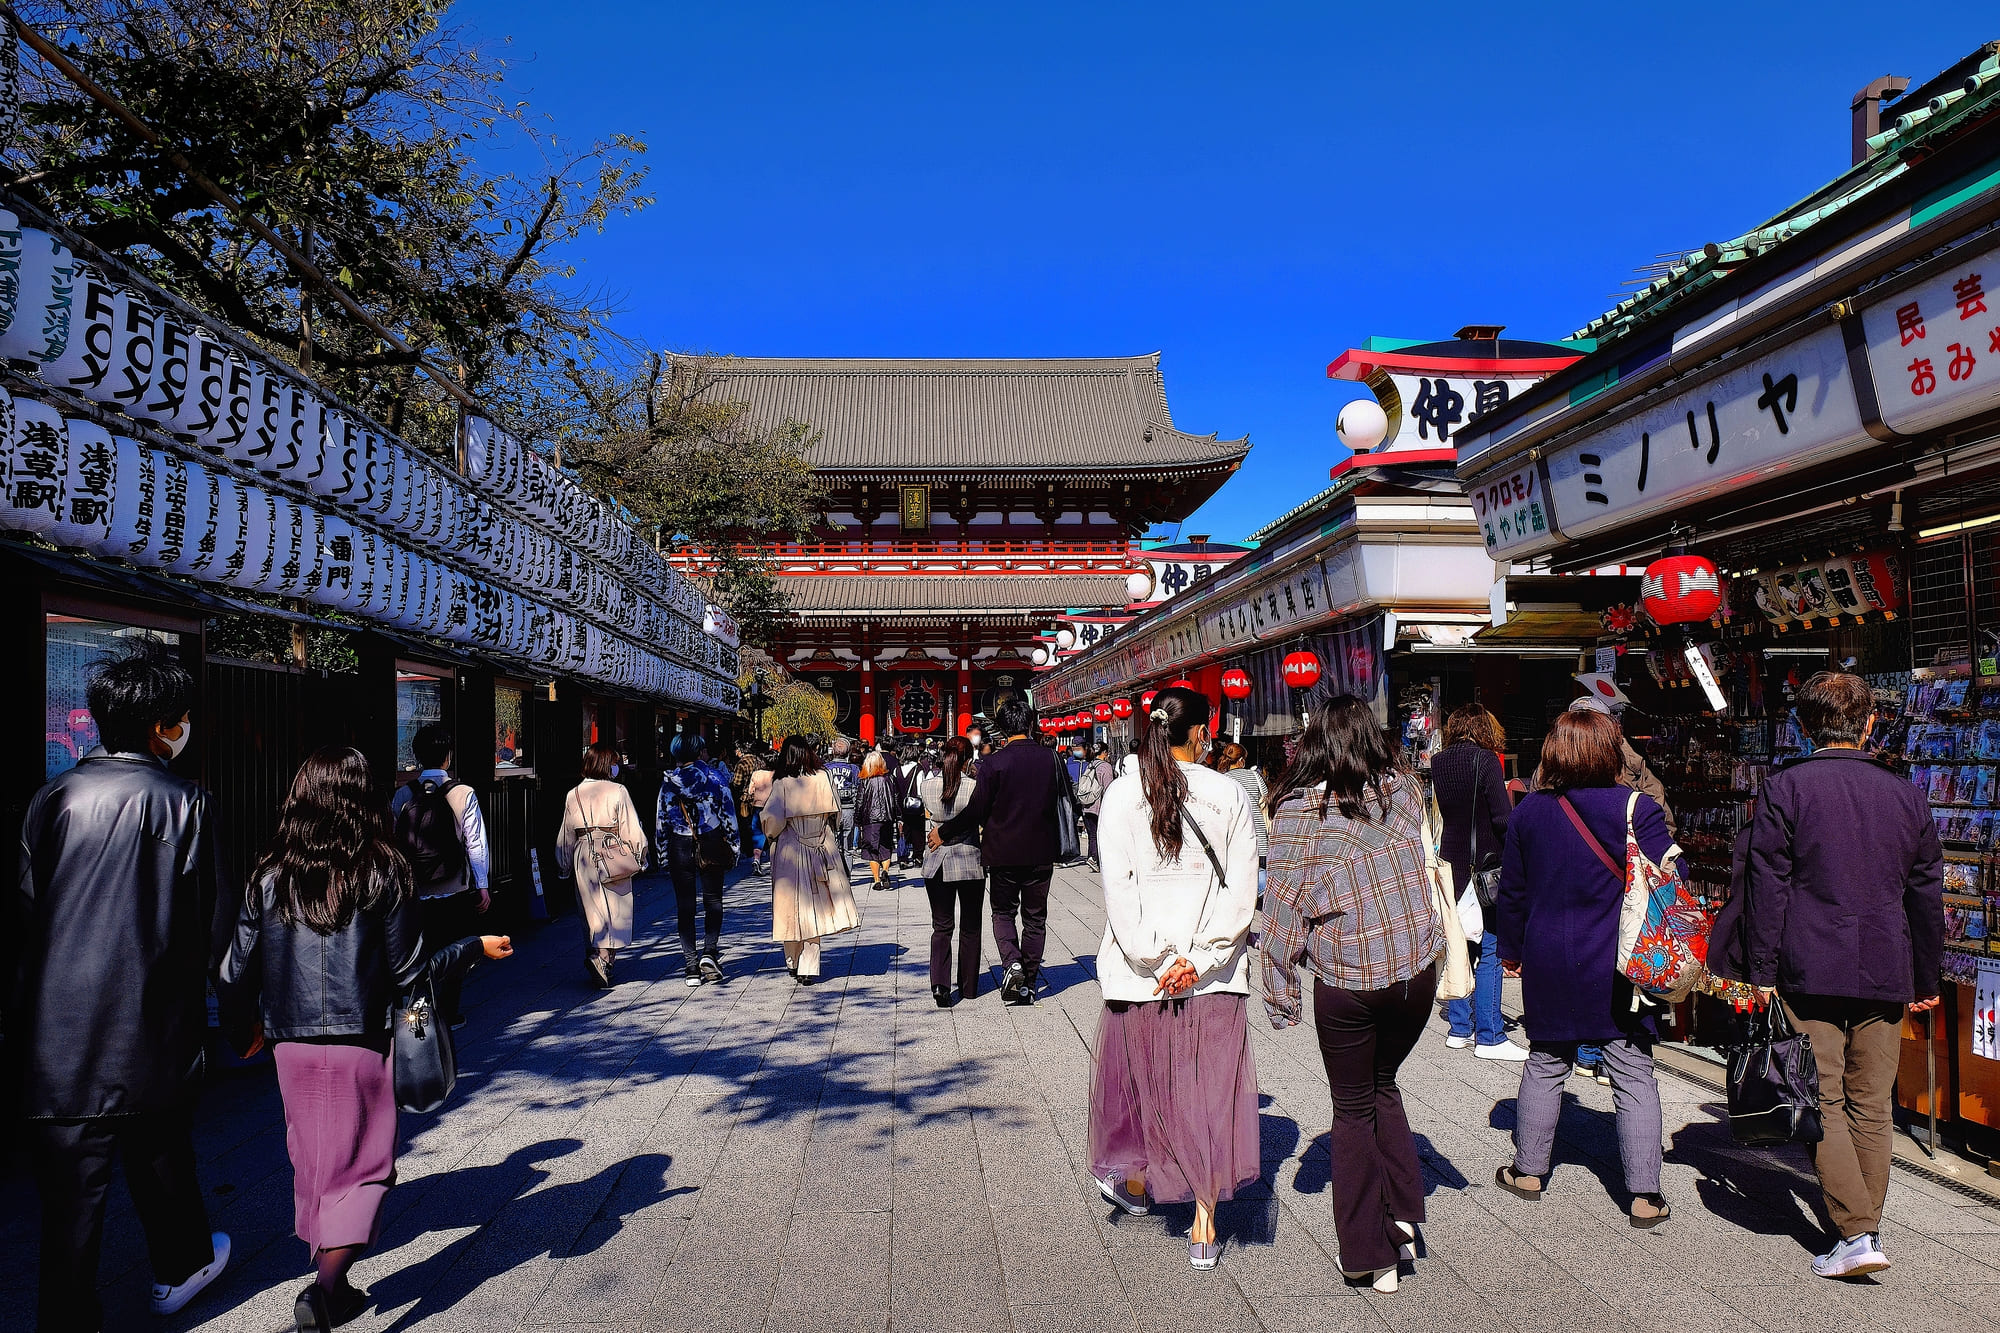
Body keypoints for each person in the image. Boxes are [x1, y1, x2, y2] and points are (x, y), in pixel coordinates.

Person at [216, 746, 511, 1332]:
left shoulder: (272, 870)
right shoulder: (383, 869)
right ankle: (322, 1293)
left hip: (290, 1042)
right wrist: (475, 948)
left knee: (314, 1157)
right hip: (361, 1038)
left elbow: (231, 971)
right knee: (366, 1164)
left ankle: (337, 1284)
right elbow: (411, 974)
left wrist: (242, 1029)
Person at [13, 641, 232, 1331]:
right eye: (182, 715)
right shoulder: (186, 801)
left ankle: (68, 1315)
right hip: (151, 1024)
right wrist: (239, 1012)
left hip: (56, 1034)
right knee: (162, 1151)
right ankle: (180, 1266)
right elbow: (214, 925)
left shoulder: (54, 798)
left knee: (70, 1203)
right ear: (162, 724)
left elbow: (25, 911)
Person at [1726, 671, 1943, 1278]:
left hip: (1807, 962)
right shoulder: (1906, 795)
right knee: (1872, 1103)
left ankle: (1855, 1233)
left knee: (1821, 1097)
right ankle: (1861, 1228)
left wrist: (1761, 968)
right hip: (1885, 963)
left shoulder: (1787, 788)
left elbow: (1766, 883)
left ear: (1804, 726)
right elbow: (1925, 893)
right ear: (1870, 724)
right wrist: (1927, 976)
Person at [1259, 694, 1443, 1293]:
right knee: (1382, 1083)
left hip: (1349, 977)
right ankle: (1403, 1212)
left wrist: (1280, 989)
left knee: (1353, 1104)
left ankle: (1369, 1252)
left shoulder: (1298, 810)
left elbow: (1284, 906)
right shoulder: (1405, 789)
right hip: (1416, 972)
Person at [1091, 687, 1261, 1270]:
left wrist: (1158, 959)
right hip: (1211, 978)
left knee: (1142, 1087)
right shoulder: (1228, 794)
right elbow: (1242, 891)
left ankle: (1139, 1186)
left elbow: (1120, 890)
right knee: (1209, 1096)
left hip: (1142, 977)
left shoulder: (1119, 795)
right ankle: (1204, 1228)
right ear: (1201, 734)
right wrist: (1202, 956)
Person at [1491, 708, 1673, 1229]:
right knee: (1632, 1069)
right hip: (1618, 960)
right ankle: (1643, 1194)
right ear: (1611, 751)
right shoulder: (1637, 808)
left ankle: (1528, 1170)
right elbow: (1667, 877)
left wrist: (1510, 949)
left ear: (1554, 752)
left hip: (1547, 952)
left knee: (1546, 1060)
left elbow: (1514, 892)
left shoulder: (1529, 813)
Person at [936, 698, 1065, 1004]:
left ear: (1003, 728)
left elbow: (976, 810)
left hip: (1003, 851)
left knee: (1003, 912)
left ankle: (1012, 963)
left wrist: (944, 830)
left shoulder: (994, 763)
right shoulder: (1051, 758)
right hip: (1041, 850)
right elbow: (1063, 800)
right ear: (1031, 724)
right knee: (1035, 918)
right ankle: (1029, 981)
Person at [1429, 706, 1525, 1061]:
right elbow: (1501, 816)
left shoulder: (1439, 762)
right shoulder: (1486, 760)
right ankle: (1490, 1034)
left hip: (1451, 860)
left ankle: (1459, 1027)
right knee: (1490, 947)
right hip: (1485, 862)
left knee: (1459, 940)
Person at [390, 723, 490, 1029]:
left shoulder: (403, 794)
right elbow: (476, 842)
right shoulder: (463, 793)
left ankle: (419, 1015)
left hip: (413, 891)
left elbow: (392, 842)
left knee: (419, 953)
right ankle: (448, 1013)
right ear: (448, 756)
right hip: (454, 888)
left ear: (417, 756)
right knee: (454, 951)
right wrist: (482, 885)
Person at [762, 734, 862, 984]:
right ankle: (809, 964)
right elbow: (836, 815)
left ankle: (793, 961)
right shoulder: (822, 778)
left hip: (791, 848)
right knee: (813, 908)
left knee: (789, 907)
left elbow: (772, 824)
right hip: (820, 844)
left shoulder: (783, 783)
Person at [553, 742, 648, 988]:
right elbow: (631, 827)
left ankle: (598, 955)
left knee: (590, 907)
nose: (617, 767)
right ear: (608, 765)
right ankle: (604, 957)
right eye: (615, 763)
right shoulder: (618, 791)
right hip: (612, 849)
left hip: (583, 852)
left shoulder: (573, 794)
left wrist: (564, 864)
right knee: (615, 906)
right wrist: (640, 855)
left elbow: (566, 834)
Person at [655, 733, 737, 986]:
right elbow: (728, 814)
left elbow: (662, 820)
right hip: (710, 840)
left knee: (685, 905)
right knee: (713, 900)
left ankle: (690, 965)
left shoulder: (669, 782)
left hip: (680, 844)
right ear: (701, 752)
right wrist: (733, 847)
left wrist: (662, 854)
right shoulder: (715, 778)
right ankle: (710, 952)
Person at [921, 736, 986, 1006]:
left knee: (941, 925)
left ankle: (940, 983)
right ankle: (969, 985)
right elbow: (977, 818)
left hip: (936, 858)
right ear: (968, 760)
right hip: (969, 856)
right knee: (970, 926)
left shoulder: (927, 786)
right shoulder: (974, 787)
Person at [1213, 742, 1269, 877]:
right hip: (1259, 842)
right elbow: (1266, 801)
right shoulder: (1255, 776)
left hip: (1234, 845)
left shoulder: (1221, 780)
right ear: (1241, 760)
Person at [855, 750, 898, 889]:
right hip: (887, 817)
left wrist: (858, 819)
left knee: (872, 849)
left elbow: (860, 801)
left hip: (870, 818)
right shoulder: (890, 778)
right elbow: (896, 798)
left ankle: (877, 879)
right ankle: (885, 870)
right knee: (886, 846)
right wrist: (898, 817)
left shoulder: (865, 781)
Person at [1079, 742, 1116, 872]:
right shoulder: (1105, 766)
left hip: (1087, 804)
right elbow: (1109, 787)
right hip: (1098, 806)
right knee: (1099, 835)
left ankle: (1092, 858)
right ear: (1105, 752)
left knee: (1092, 835)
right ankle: (1094, 859)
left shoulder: (1091, 764)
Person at [823, 737, 861, 855]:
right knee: (847, 844)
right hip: (848, 807)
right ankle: (847, 871)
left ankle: (834, 869)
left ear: (833, 751)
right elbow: (859, 788)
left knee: (831, 840)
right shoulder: (854, 769)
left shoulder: (825, 768)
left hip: (830, 807)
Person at [893, 745, 926, 869]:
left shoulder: (897, 769)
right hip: (915, 805)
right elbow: (920, 789)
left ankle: (902, 858)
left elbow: (894, 788)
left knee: (902, 831)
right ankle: (918, 857)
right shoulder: (918, 769)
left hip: (901, 805)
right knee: (918, 832)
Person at [745, 752, 775, 874]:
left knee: (758, 834)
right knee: (773, 835)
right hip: (772, 808)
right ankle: (774, 863)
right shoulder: (776, 775)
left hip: (758, 807)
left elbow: (750, 791)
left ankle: (756, 859)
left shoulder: (756, 774)